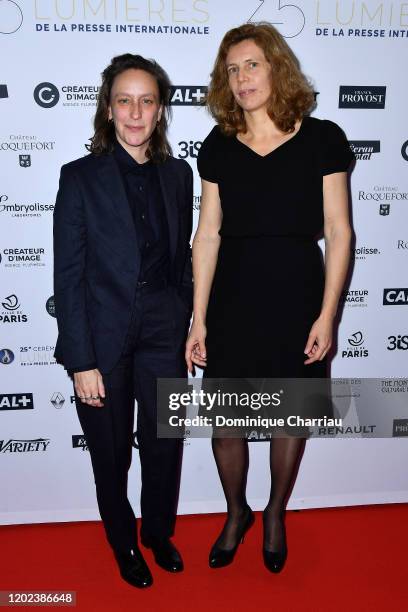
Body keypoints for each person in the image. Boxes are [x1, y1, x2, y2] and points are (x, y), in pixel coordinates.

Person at [186, 23, 354, 573]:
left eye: (252, 64)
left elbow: (339, 230)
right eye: (232, 69)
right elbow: (207, 234)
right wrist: (199, 318)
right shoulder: (218, 146)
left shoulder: (323, 137)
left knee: (289, 416)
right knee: (226, 422)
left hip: (297, 294)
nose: (241, 78)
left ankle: (276, 512)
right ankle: (236, 513)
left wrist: (327, 316)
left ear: (276, 66)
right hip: (232, 297)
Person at [53, 54, 193, 588]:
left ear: (160, 111)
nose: (136, 112)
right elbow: (68, 276)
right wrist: (81, 360)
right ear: (108, 110)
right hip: (103, 335)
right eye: (124, 100)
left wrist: (183, 318)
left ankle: (158, 532)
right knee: (110, 456)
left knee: (164, 441)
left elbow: (182, 258)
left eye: (147, 100)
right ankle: (123, 541)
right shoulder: (79, 178)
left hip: (164, 327)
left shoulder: (178, 175)